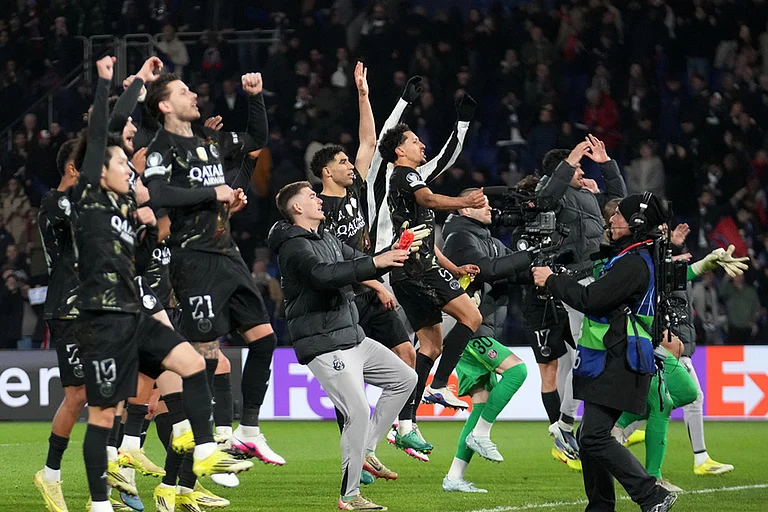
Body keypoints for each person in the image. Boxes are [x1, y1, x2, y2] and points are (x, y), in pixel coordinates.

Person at [73, 56, 250, 512]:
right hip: (104, 316)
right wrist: (112, 83)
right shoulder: (90, 197)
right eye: (117, 162)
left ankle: (206, 451)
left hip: (138, 309)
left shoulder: (130, 205)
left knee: (194, 364)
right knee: (102, 415)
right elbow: (103, 134)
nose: (125, 169)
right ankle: (100, 500)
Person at [144, 70, 283, 465]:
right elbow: (157, 194)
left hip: (228, 253)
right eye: (184, 92)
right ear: (165, 105)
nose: (194, 96)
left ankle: (248, 431)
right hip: (193, 258)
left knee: (265, 338)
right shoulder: (161, 147)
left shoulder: (209, 140)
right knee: (204, 353)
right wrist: (212, 191)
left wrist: (254, 97)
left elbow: (255, 140)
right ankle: (202, 447)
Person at [268, 181, 417, 511]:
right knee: (358, 411)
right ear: (297, 209)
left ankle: (365, 451)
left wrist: (391, 254)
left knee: (405, 378)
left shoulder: (327, 238)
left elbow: (358, 260)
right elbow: (323, 275)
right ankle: (349, 497)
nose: (318, 199)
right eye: (311, 196)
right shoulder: (293, 248)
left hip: (352, 337)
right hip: (324, 343)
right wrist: (376, 266)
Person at [314, 64, 430, 466]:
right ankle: (354, 454)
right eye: (343, 163)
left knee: (407, 356)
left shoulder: (357, 188)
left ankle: (378, 441)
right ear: (327, 172)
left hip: (372, 283)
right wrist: (371, 281)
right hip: (345, 293)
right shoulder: (316, 209)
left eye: (351, 162)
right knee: (349, 390)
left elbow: (369, 139)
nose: (352, 165)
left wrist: (363, 94)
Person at [532, 192, 677, 512]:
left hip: (620, 359)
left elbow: (591, 300)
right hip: (617, 357)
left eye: (619, 216)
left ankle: (651, 493)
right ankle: (600, 507)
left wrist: (552, 280)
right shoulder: (636, 257)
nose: (611, 219)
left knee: (594, 436)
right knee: (588, 437)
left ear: (636, 223)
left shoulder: (634, 263)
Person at [378, 123, 486, 426]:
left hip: (409, 271)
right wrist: (465, 202)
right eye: (414, 141)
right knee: (472, 317)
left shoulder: (401, 180)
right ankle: (438, 386)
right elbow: (428, 200)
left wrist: (454, 268)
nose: (422, 145)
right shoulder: (407, 175)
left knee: (430, 347)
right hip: (418, 270)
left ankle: (405, 420)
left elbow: (423, 239)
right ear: (400, 151)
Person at [535, 134, 627, 458]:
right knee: (588, 349)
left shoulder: (587, 195)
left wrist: (607, 167)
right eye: (576, 165)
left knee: (589, 350)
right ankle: (571, 422)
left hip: (595, 276)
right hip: (572, 278)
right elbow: (545, 198)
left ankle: (568, 422)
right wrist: (570, 158)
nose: (581, 171)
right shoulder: (552, 194)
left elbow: (621, 209)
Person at [440, 188, 531, 492]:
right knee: (517, 370)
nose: (490, 208)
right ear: (465, 209)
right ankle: (482, 434)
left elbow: (514, 271)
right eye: (482, 204)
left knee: (480, 404)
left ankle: (454, 476)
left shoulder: (489, 240)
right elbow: (488, 269)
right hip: (467, 330)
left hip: (485, 328)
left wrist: (542, 260)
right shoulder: (458, 238)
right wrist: (525, 257)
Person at [34, 138, 87, 512]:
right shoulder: (56, 202)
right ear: (72, 169)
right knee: (79, 395)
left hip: (100, 306)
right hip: (69, 308)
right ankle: (50, 475)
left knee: (120, 393)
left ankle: (111, 484)